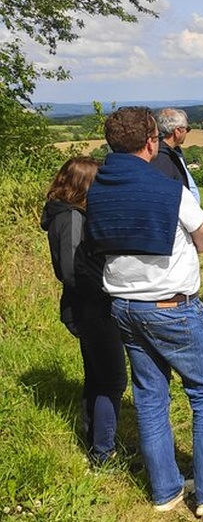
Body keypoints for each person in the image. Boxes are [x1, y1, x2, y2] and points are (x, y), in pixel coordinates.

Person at [86, 107, 203, 516]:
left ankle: (166, 491)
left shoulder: (98, 188)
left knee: (149, 399)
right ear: (151, 141)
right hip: (172, 306)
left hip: (124, 307)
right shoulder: (168, 190)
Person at [40, 156, 127, 465]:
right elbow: (72, 269)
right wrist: (108, 289)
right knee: (112, 380)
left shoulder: (64, 214)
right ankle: (104, 453)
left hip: (84, 307)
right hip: (91, 308)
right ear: (84, 185)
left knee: (96, 376)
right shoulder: (72, 218)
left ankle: (94, 441)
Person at [151, 108, 201, 203]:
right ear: (177, 131)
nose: (187, 132)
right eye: (187, 129)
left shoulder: (173, 152)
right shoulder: (162, 158)